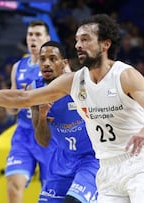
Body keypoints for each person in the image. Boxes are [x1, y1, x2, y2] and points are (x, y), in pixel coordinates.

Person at [0, 14, 144, 203]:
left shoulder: (124, 75)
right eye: (76, 40)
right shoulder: (74, 81)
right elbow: (22, 97)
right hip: (108, 169)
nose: (78, 45)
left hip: (141, 164)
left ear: (105, 44)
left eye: (85, 39)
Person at [31, 41, 98, 202]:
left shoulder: (82, 85)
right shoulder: (35, 91)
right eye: (42, 59)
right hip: (62, 160)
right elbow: (43, 141)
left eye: (53, 58)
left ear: (64, 63)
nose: (46, 63)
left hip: (91, 159)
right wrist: (42, 115)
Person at [5, 20, 53, 203]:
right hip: (23, 135)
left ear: (47, 39)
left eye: (38, 34)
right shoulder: (18, 67)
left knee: (51, 194)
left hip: (49, 136)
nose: (33, 38)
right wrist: (12, 102)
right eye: (30, 34)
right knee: (13, 186)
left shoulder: (56, 67)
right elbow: (11, 108)